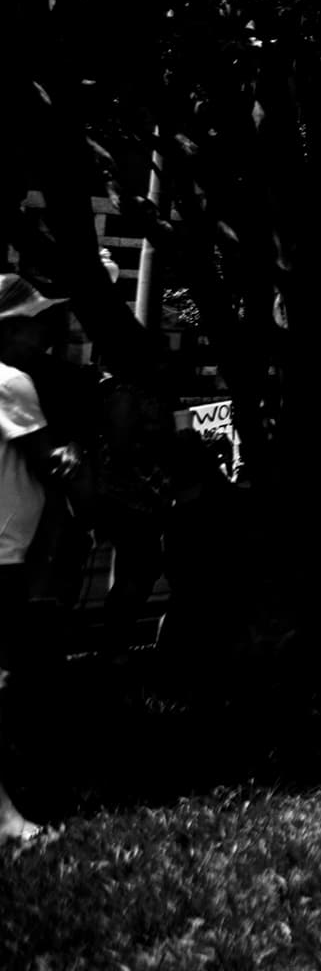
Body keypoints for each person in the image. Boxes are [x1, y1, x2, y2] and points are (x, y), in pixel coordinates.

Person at [1, 276, 83, 844]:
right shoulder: (12, 382)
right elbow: (50, 460)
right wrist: (71, 455)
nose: (46, 333)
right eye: (36, 323)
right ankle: (4, 818)